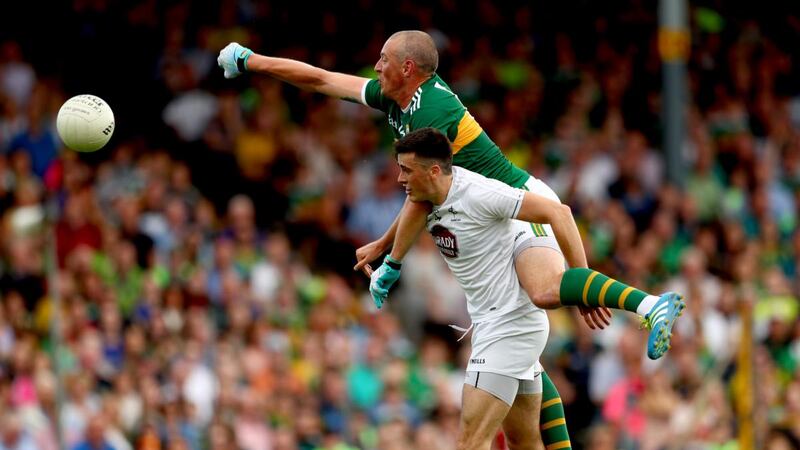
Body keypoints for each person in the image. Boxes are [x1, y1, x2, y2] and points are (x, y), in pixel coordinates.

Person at [217, 30, 682, 448]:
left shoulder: (432, 116)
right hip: (490, 225)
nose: (375, 67)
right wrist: (252, 60)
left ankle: (648, 305)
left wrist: (389, 255)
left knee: (542, 295)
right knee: (525, 371)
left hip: (518, 207)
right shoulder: (396, 99)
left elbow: (421, 193)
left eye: (383, 59)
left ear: (408, 69)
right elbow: (321, 80)